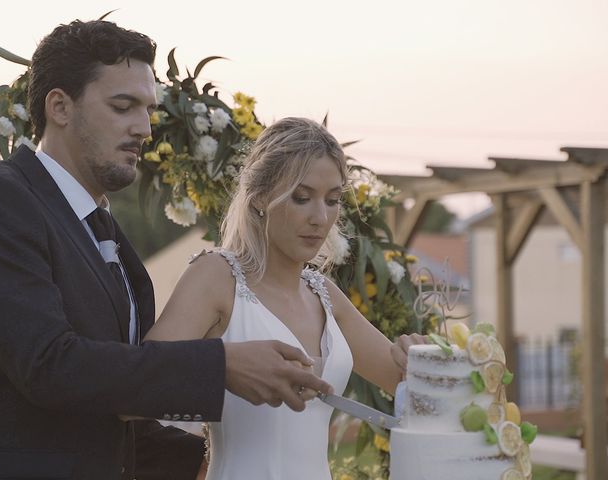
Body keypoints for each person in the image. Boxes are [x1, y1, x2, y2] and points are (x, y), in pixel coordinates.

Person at [0, 20, 331, 480]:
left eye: (148, 110)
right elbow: (49, 366)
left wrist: (226, 460)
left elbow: (108, 405)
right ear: (59, 106)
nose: (144, 127)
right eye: (123, 107)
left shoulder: (106, 234)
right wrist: (221, 367)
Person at [144, 117, 425, 479]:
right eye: (301, 198)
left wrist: (420, 359)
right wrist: (222, 367)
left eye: (333, 200)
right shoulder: (215, 277)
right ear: (260, 196)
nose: (320, 218)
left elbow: (405, 384)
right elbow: (143, 379)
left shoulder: (325, 295)